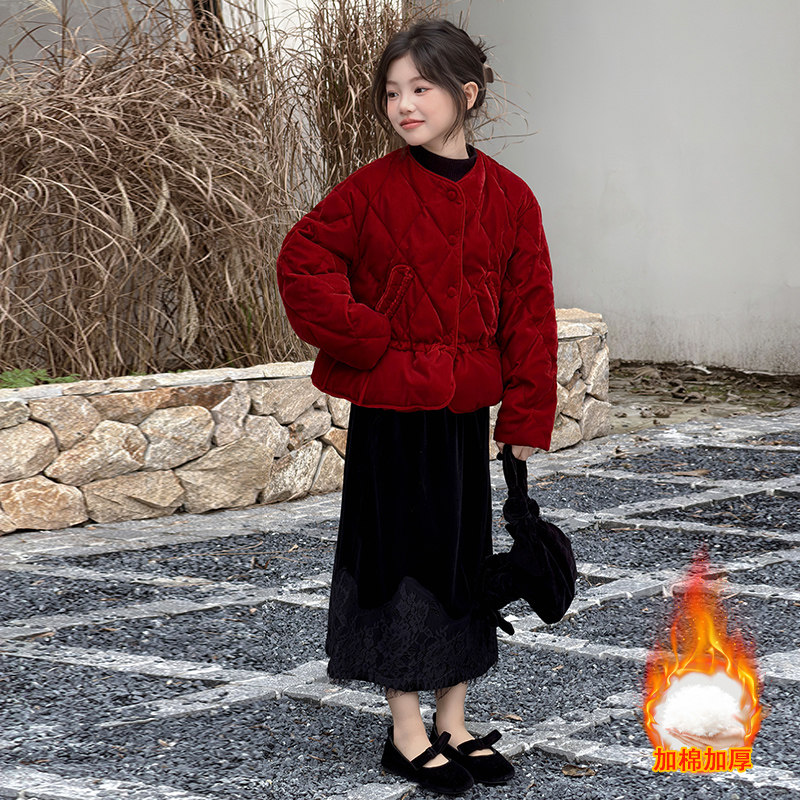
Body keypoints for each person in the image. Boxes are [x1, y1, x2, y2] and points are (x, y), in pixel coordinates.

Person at [276, 17, 557, 795]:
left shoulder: (511, 198)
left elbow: (530, 313)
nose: (403, 105)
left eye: (421, 89)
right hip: (393, 413)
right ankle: (406, 731)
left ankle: (454, 722)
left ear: (467, 94)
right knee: (399, 567)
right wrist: (366, 335)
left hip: (463, 414)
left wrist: (526, 416)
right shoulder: (370, 190)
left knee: (462, 566)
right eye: (392, 92)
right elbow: (301, 262)